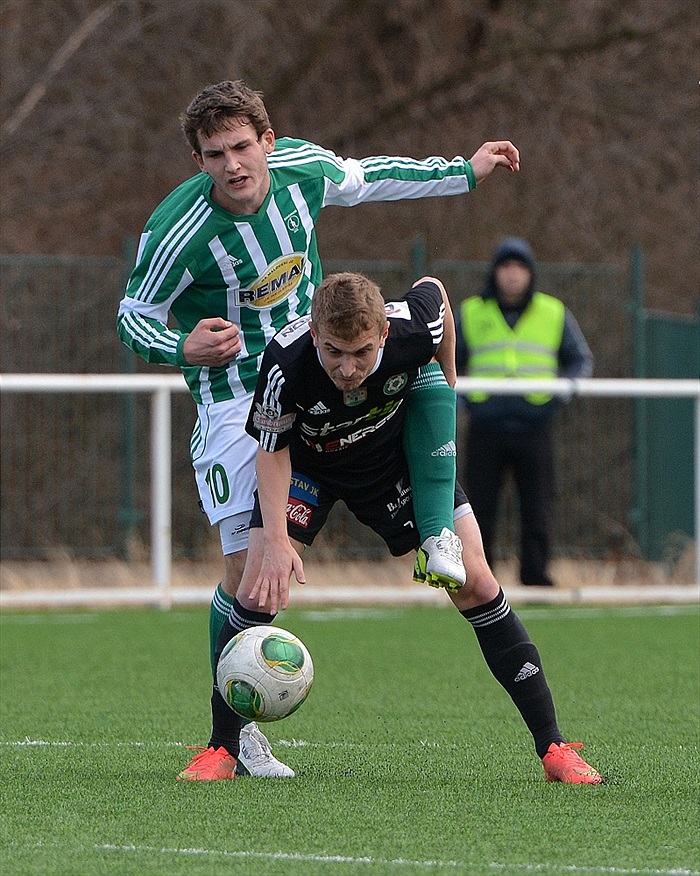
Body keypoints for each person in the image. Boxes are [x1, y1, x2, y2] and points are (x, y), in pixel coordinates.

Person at [117, 79, 520, 780]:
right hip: (237, 395)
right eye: (215, 153)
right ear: (198, 158)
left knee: (446, 530)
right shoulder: (177, 231)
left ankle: (439, 533)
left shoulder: (304, 170)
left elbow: (373, 179)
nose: (233, 165)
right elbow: (133, 314)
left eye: (243, 146)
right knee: (250, 568)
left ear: (268, 142)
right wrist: (181, 346)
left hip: (323, 372)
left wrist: (465, 169)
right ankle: (234, 738)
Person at [212, 271, 602, 785]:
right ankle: (220, 751)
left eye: (362, 353)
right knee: (260, 584)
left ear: (384, 337)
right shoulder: (286, 364)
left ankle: (554, 747)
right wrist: (279, 543)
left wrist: (447, 380)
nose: (347, 369)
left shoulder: (413, 327)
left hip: (393, 464)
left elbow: (437, 289)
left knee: (477, 582)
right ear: (312, 332)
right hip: (311, 469)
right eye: (334, 352)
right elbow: (272, 454)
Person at [455, 237, 593, 587]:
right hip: (486, 425)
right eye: (506, 267)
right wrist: (466, 402)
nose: (513, 275)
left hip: (535, 425)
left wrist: (556, 397)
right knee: (478, 508)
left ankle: (535, 576)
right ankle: (480, 580)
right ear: (494, 272)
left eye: (520, 267)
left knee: (537, 506)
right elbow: (447, 364)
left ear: (531, 274)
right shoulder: (471, 311)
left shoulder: (553, 311)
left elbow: (580, 361)